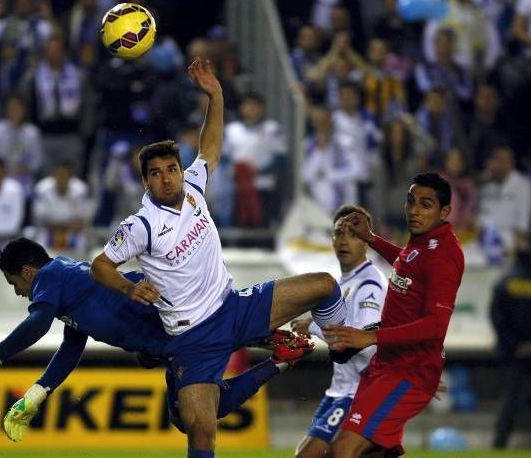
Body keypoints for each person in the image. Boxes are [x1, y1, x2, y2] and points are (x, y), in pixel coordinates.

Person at [89, 58, 347, 458]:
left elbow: (210, 147)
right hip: (193, 338)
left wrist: (217, 95)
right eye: (156, 173)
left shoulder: (193, 186)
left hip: (233, 307)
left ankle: (342, 349)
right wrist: (128, 287)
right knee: (202, 433)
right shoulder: (140, 225)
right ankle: (275, 350)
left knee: (325, 286)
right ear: (145, 181)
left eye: (171, 168)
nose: (167, 177)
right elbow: (99, 265)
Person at [0, 237, 314, 442]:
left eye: (16, 284)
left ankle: (270, 336)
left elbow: (37, 325)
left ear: (28, 271)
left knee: (197, 417)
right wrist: (36, 394)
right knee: (191, 418)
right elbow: (71, 345)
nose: (19, 293)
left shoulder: (51, 278)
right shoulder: (67, 285)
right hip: (168, 342)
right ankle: (280, 355)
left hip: (179, 328)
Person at [325, 172, 465, 457]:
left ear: (445, 211)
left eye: (425, 205)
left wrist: (370, 337)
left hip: (408, 372)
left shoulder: (444, 255)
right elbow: (408, 264)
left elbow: (436, 326)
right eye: (411, 201)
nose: (414, 210)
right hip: (387, 365)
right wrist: (371, 239)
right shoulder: (423, 244)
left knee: (342, 451)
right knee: (373, 453)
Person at [293, 205, 387, 458]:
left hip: (358, 393)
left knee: (309, 455)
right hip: (339, 390)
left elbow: (364, 341)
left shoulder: (369, 285)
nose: (345, 240)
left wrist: (311, 326)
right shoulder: (342, 283)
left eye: (354, 234)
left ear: (367, 241)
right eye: (339, 233)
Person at [490, 231, 531, 448]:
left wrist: (515, 345)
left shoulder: (505, 282)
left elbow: (498, 318)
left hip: (513, 353)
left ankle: (500, 443)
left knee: (509, 399)